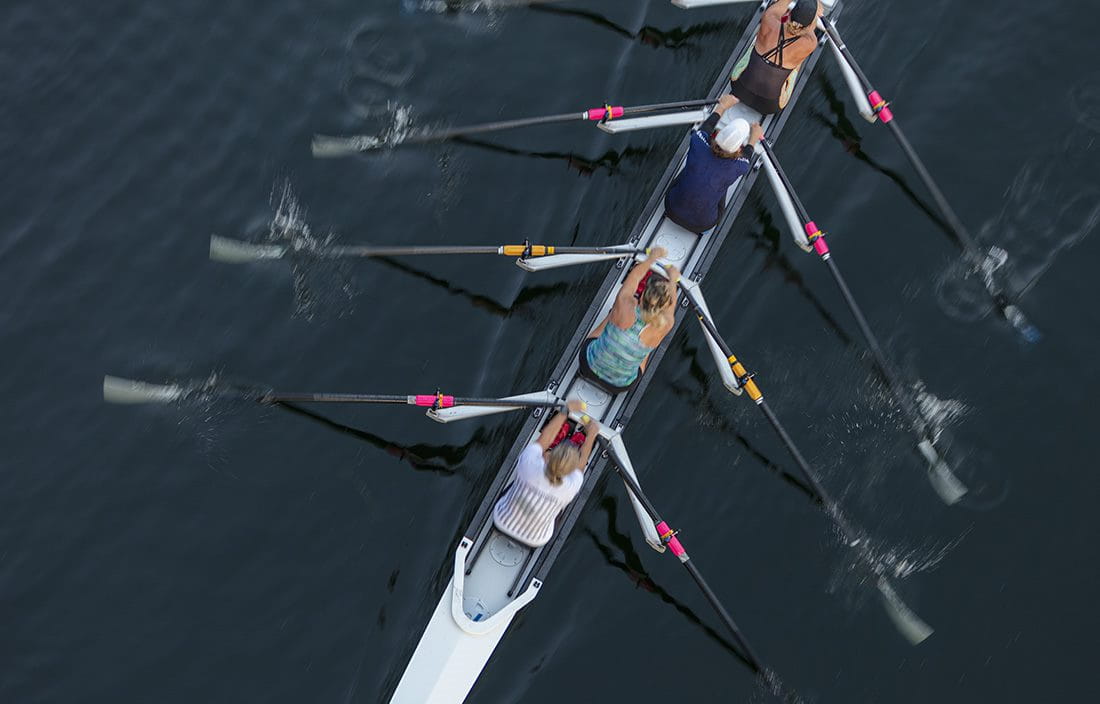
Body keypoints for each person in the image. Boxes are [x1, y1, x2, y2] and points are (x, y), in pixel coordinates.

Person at [492, 400, 600, 548]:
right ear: (570, 471)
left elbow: (545, 439)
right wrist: (592, 435)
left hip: (500, 521)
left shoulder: (529, 462)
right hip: (536, 540)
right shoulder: (571, 486)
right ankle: (578, 439)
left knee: (530, 465)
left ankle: (559, 438)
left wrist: (566, 409)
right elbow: (581, 464)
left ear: (550, 457)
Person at [578, 247, 679, 392]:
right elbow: (672, 304)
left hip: (587, 366)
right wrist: (673, 279)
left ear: (643, 294)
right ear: (664, 305)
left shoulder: (625, 302)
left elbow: (636, 275)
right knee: (649, 346)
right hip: (620, 386)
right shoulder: (667, 324)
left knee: (613, 313)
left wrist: (652, 257)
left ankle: (612, 321)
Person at [664, 94, 763, 234]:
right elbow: (747, 154)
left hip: (670, 208)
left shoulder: (697, 141)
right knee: (721, 185)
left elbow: (707, 127)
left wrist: (722, 106)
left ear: (720, 134)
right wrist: (754, 137)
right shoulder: (741, 167)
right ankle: (704, 229)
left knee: (691, 170)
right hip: (704, 225)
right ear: (739, 148)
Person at [729, 0, 823, 115]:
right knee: (797, 63)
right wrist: (817, 11)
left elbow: (782, 4)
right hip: (770, 106)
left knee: (757, 41)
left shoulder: (769, 17)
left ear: (790, 13)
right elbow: (809, 29)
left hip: (738, 89)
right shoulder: (811, 42)